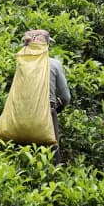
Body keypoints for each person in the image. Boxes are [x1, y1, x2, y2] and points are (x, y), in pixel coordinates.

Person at [23, 29, 71, 163]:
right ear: (47, 45)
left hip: (24, 113)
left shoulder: (22, 63)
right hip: (47, 113)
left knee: (25, 155)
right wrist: (57, 109)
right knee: (52, 156)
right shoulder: (55, 64)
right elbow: (66, 97)